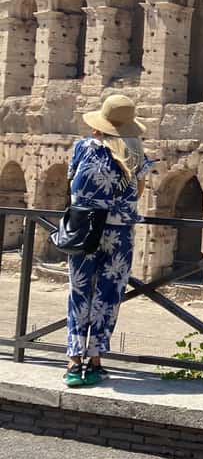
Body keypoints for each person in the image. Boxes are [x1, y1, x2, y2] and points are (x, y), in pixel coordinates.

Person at [63, 94, 152, 387]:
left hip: (84, 231)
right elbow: (138, 192)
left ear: (100, 124)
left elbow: (72, 182)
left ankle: (73, 363)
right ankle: (95, 361)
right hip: (119, 233)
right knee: (108, 295)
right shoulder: (136, 153)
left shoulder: (82, 147)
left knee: (80, 293)